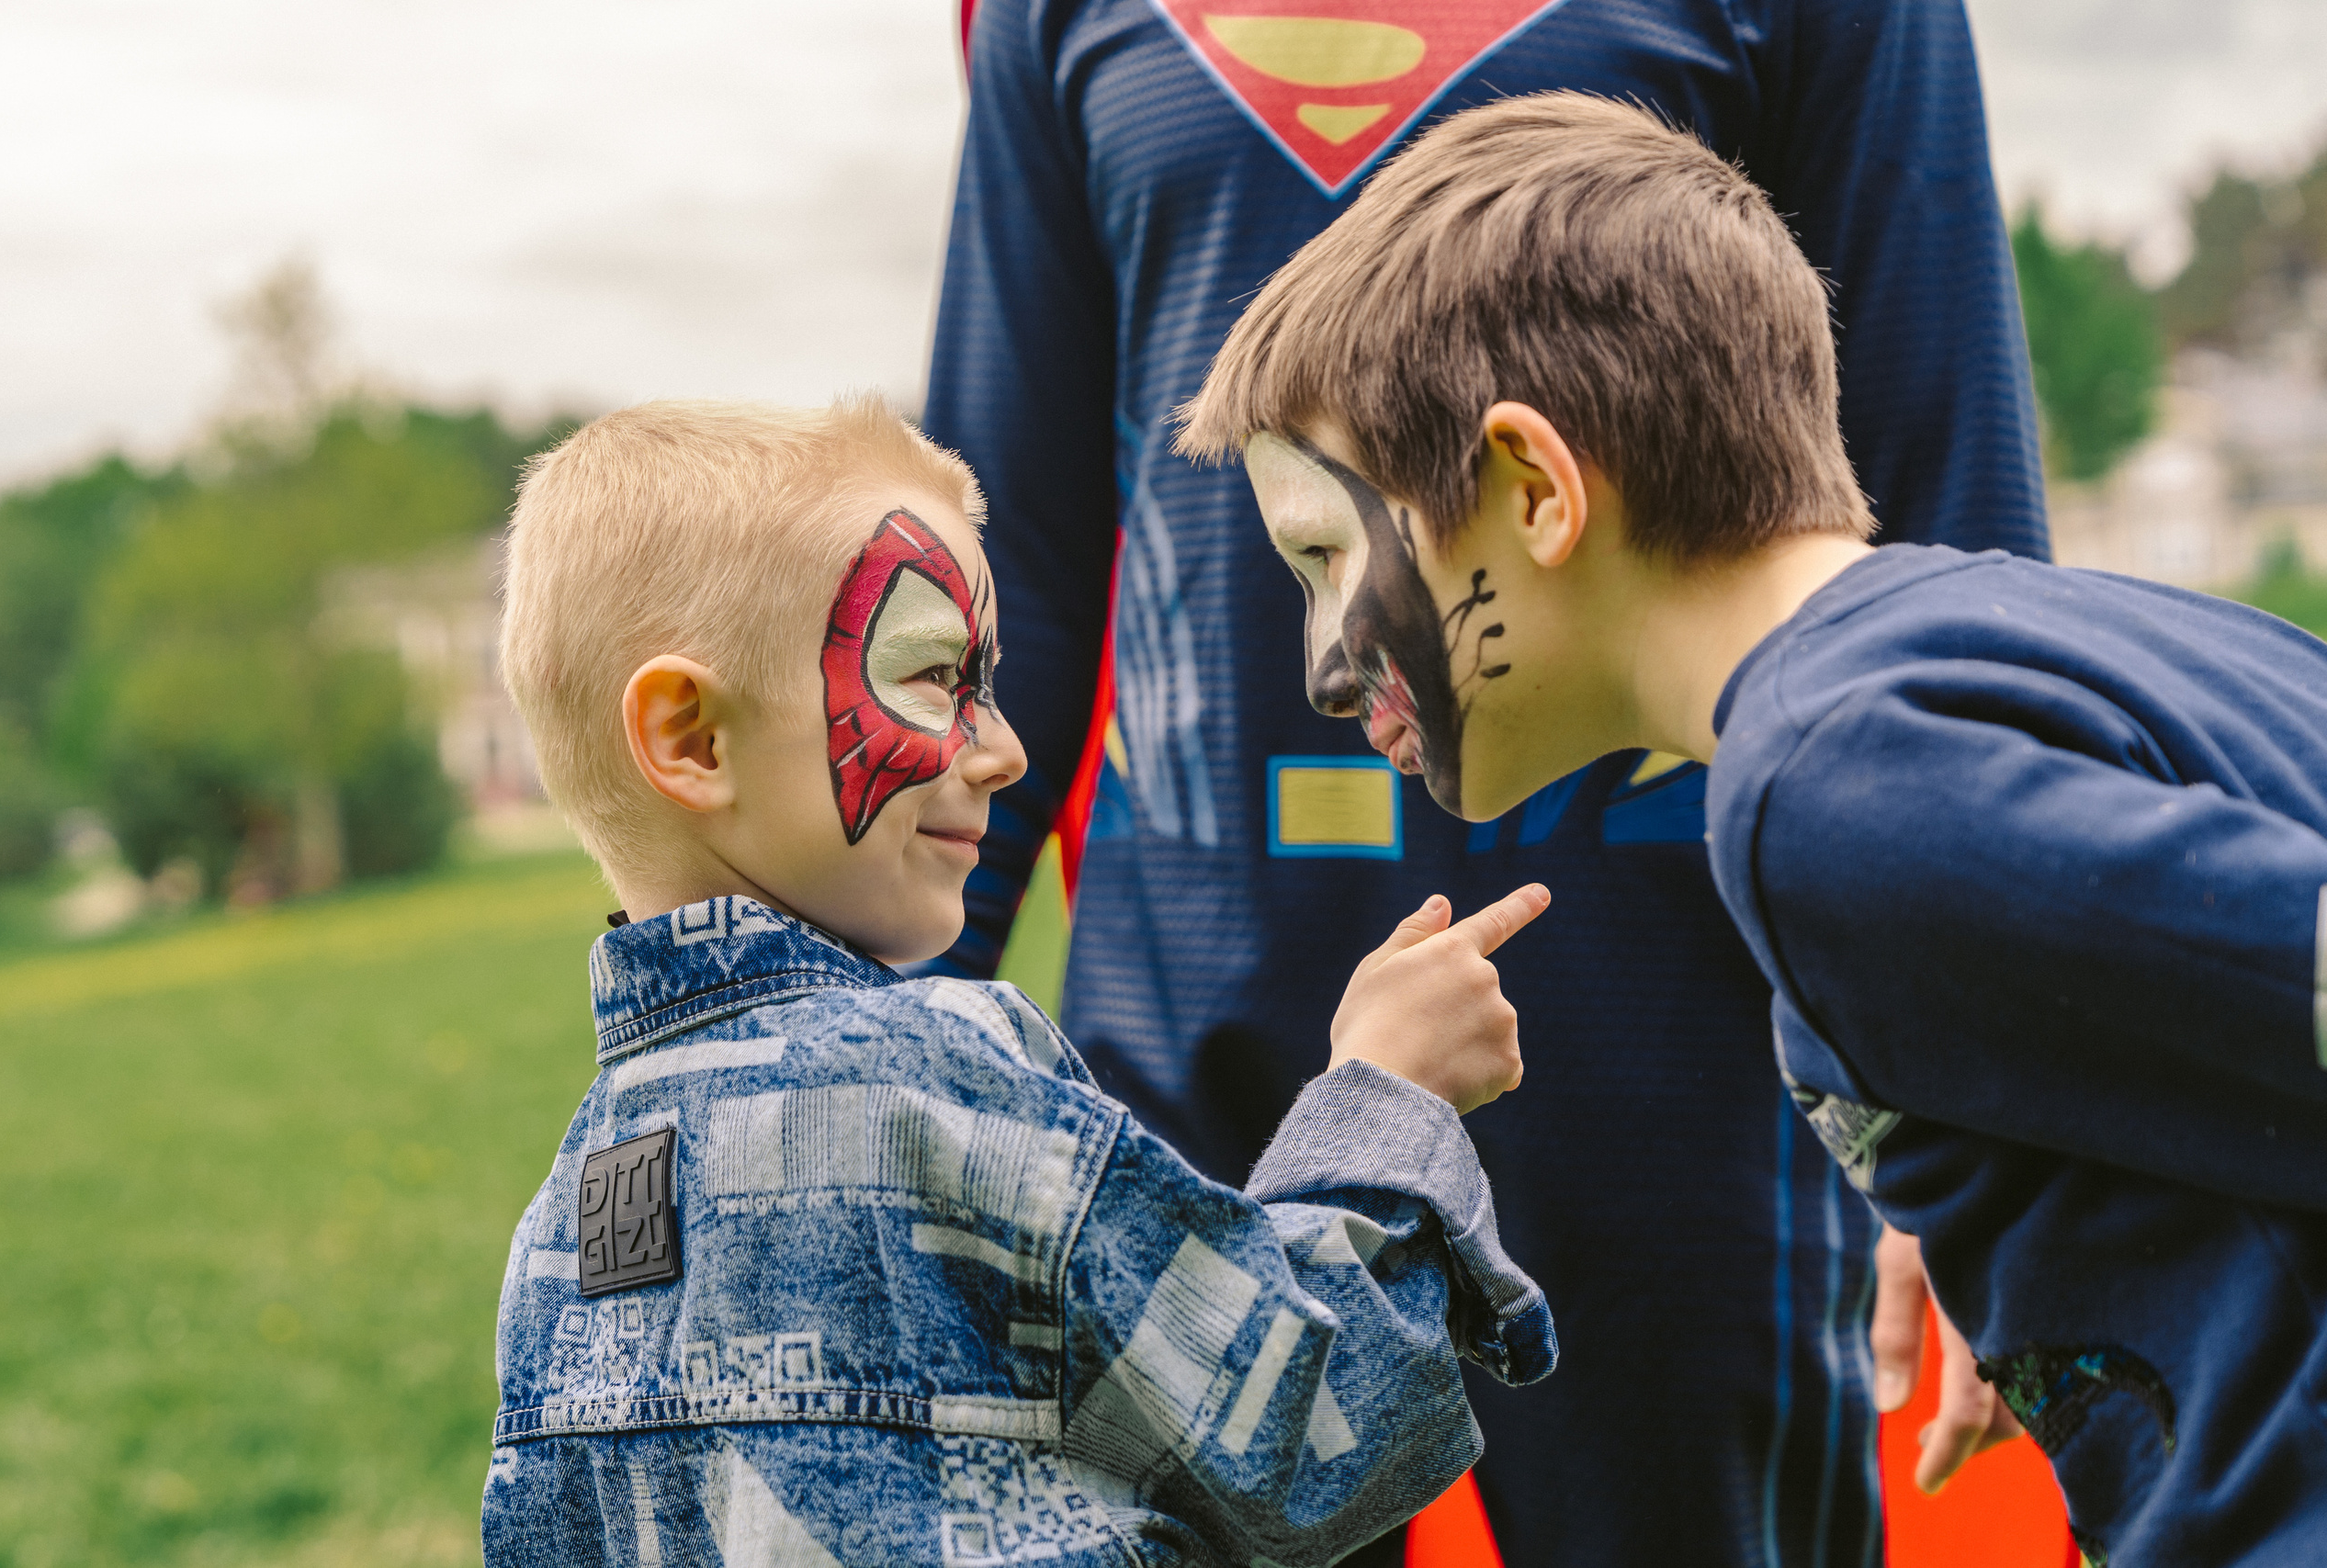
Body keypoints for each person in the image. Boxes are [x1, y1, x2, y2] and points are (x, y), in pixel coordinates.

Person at [923, 4, 2049, 1558]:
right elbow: (1009, 565)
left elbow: (1935, 499)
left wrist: (1979, 1079)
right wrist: (853, 1048)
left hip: (1677, 1021)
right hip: (1195, 1014)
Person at [1181, 92, 2327, 1566]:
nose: (1325, 664)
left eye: (1327, 555)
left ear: (1534, 490)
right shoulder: (2080, 636)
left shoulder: (1820, 784)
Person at [477, 397, 1556, 1566]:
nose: (1007, 750)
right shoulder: (938, 1075)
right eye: (939, 677)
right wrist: (1388, 1093)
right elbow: (1297, 1432)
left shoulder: (568, 1225)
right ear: (691, 738)